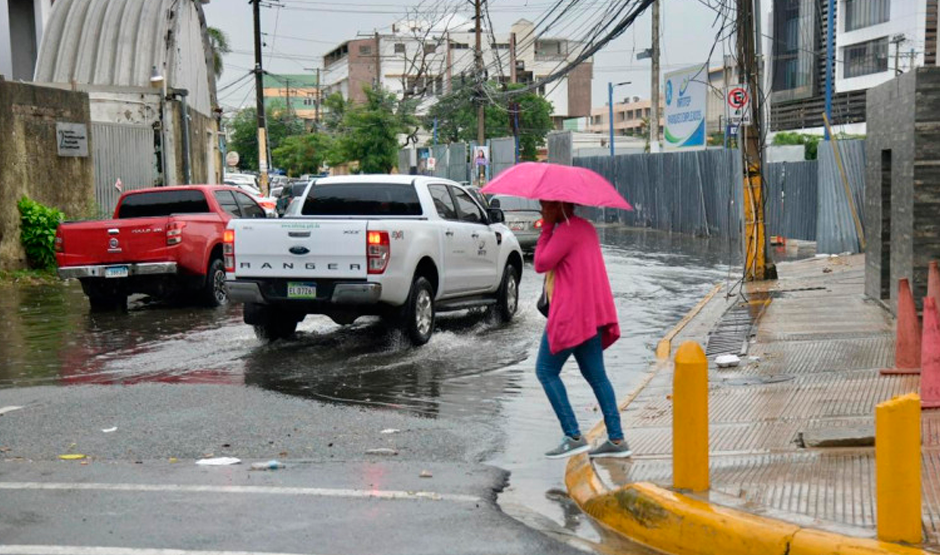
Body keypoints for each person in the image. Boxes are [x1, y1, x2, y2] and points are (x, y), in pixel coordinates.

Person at [534, 201, 632, 459]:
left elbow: (541, 263)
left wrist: (546, 229)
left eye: (545, 206)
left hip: (571, 316)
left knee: (545, 371)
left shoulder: (565, 232)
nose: (541, 210)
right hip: (591, 316)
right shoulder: (586, 228)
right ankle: (617, 439)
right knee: (597, 376)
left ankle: (573, 436)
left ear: (558, 206)